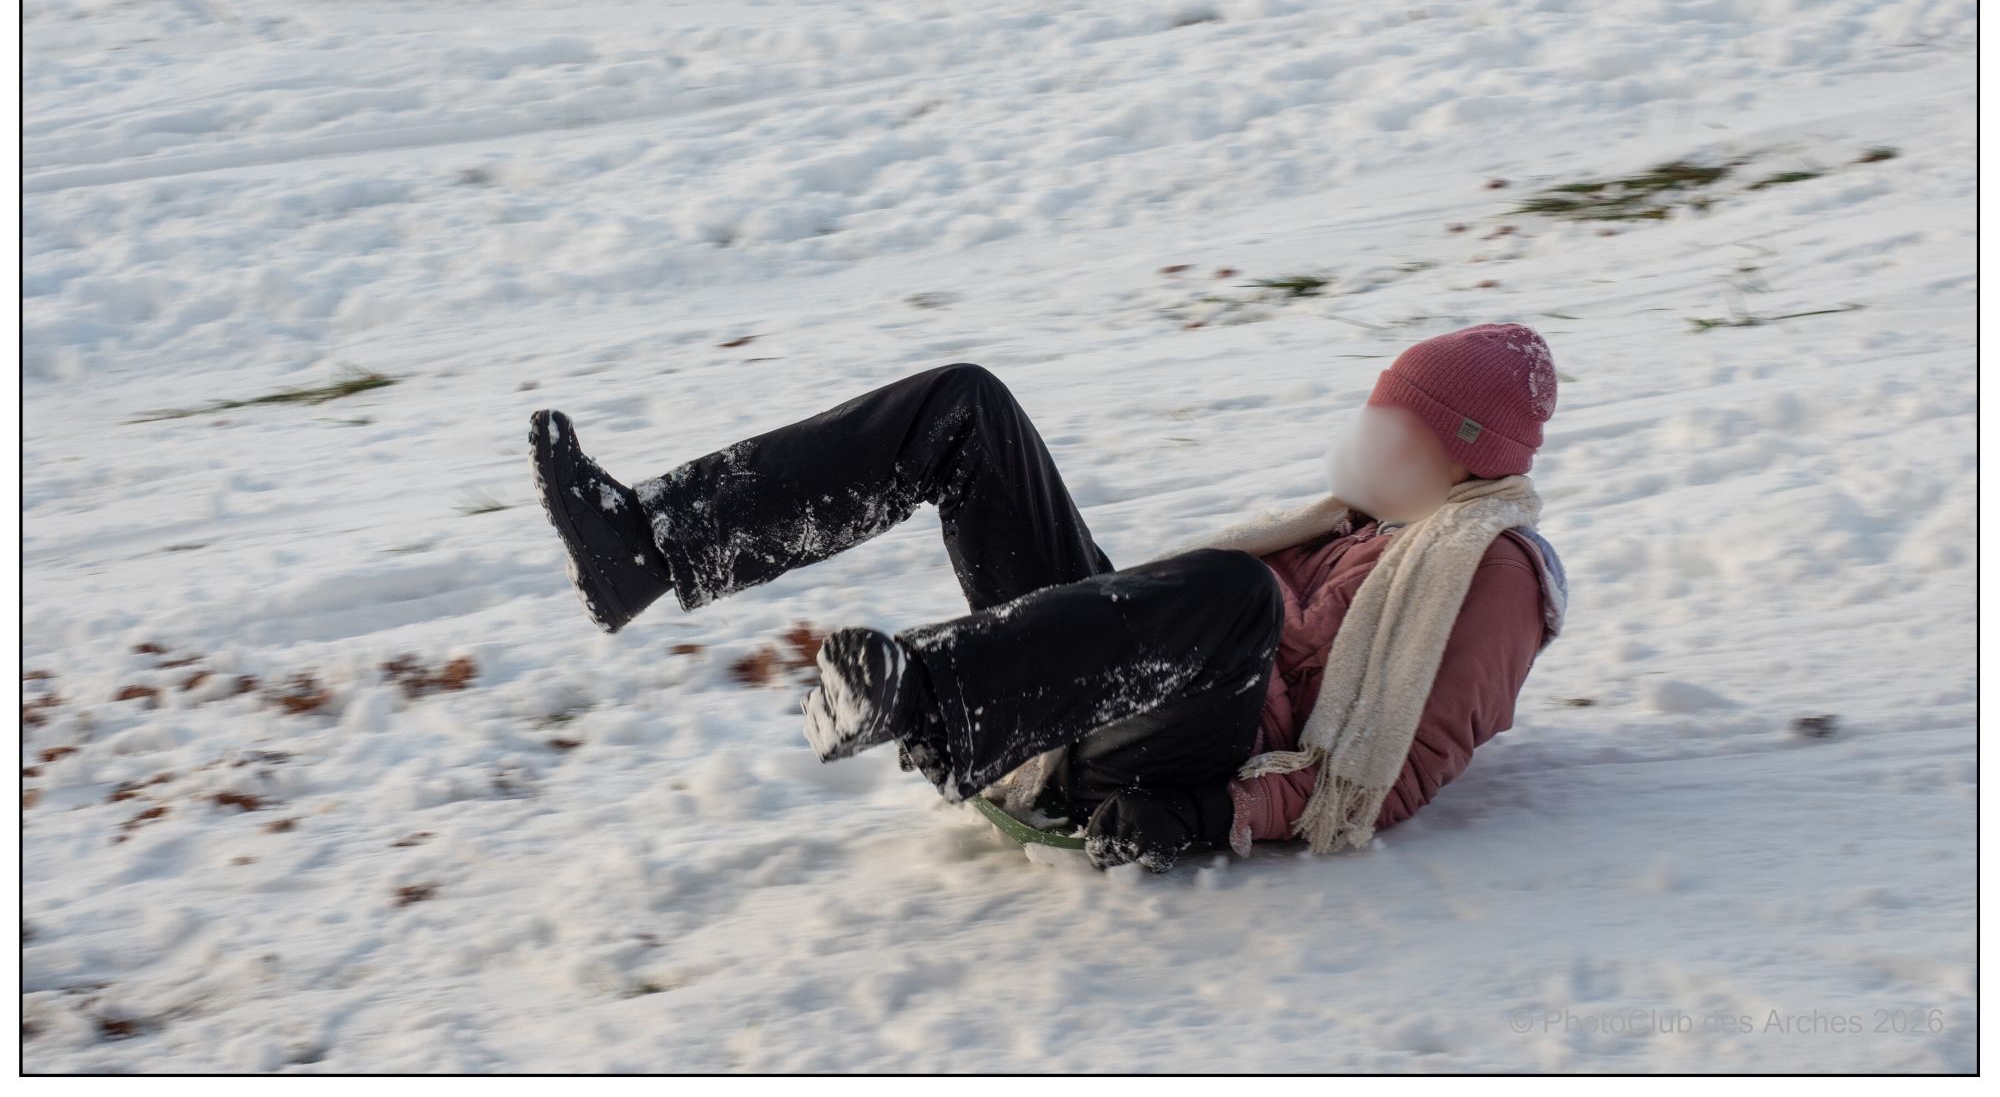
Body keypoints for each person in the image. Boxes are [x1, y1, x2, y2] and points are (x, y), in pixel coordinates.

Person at [527, 322, 1567, 874]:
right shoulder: (1362, 521)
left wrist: (1208, 812)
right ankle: (649, 547)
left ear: (1463, 459)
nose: (1369, 441)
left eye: (1400, 429)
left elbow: (1396, 771)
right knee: (965, 406)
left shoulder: (1490, 569)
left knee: (1234, 595)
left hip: (1190, 753)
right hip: (1120, 686)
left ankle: (930, 697)